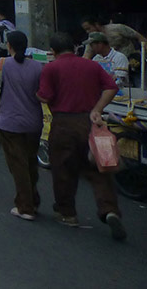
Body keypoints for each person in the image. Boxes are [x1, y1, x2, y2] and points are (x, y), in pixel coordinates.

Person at [37, 33, 125, 240]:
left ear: (53, 51)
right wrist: (97, 109)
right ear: (75, 48)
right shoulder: (92, 66)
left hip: (63, 124)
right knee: (99, 170)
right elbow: (112, 87)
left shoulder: (51, 68)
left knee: (63, 169)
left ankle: (67, 214)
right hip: (89, 122)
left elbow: (44, 96)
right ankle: (109, 210)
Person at [0, 31, 44, 221]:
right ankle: (33, 199)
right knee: (30, 161)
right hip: (33, 122)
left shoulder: (2, 64)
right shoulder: (37, 67)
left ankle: (25, 207)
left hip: (9, 122)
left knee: (18, 165)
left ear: (8, 45)